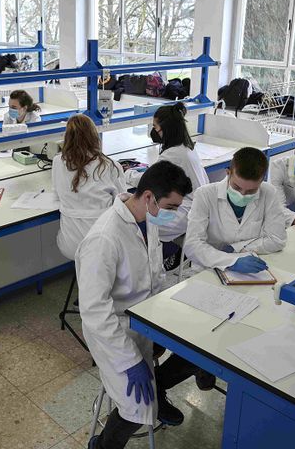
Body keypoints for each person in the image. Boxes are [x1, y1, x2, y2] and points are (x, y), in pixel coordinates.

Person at [78, 161, 200, 449]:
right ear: (148, 197)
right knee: (137, 408)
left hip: (146, 317)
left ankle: (159, 385)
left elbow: (155, 278)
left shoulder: (146, 220)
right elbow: (95, 312)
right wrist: (129, 361)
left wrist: (181, 302)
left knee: (199, 350)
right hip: (114, 331)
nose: (173, 215)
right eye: (170, 207)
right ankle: (103, 445)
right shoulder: (104, 237)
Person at [183, 147, 287, 272]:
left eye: (251, 191)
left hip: (251, 266)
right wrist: (231, 261)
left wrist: (235, 248)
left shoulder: (269, 193)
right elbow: (193, 245)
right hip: (209, 267)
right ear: (228, 173)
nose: (242, 195)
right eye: (237, 187)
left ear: (262, 180)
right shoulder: (205, 195)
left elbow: (277, 239)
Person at [125, 102, 208, 242]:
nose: (153, 131)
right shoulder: (186, 147)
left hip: (185, 212)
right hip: (196, 207)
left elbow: (148, 181)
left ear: (166, 128)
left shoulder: (172, 154)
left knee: (136, 222)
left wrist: (127, 173)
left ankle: (165, 254)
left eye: (155, 127)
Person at [52, 114, 126, 260]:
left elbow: (56, 194)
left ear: (67, 137)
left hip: (70, 245)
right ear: (94, 136)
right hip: (102, 244)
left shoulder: (57, 162)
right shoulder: (110, 166)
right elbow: (123, 202)